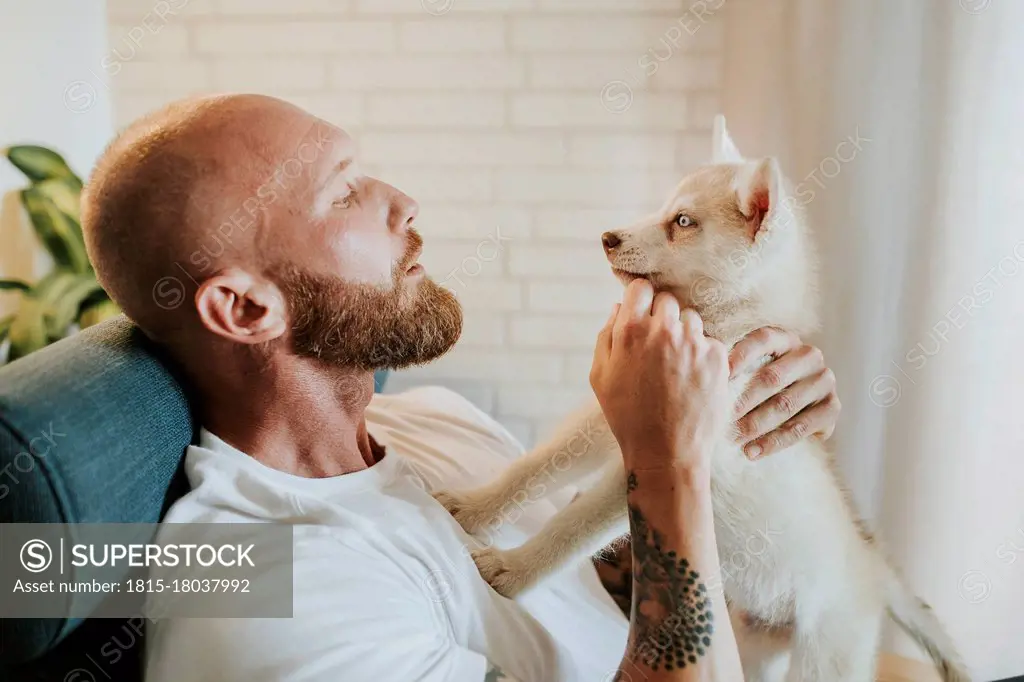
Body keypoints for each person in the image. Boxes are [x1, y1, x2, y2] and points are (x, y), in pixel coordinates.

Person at [80, 94, 841, 681]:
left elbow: (596, 586)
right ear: (246, 307)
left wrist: (744, 438)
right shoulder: (278, 594)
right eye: (343, 193)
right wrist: (671, 465)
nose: (403, 201)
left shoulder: (436, 423)